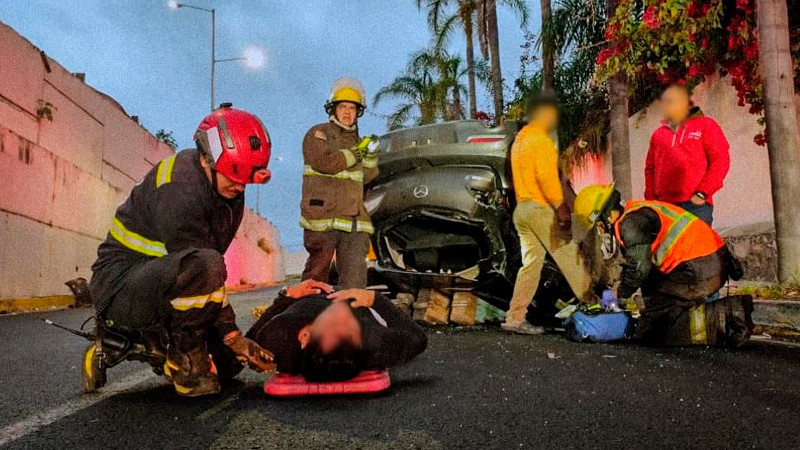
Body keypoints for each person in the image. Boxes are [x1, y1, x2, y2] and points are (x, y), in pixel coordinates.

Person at [89, 104, 275, 397]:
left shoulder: (227, 194)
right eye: (231, 176)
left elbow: (206, 281)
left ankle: (169, 345)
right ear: (205, 159)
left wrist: (232, 343)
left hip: (164, 280)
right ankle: (182, 354)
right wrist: (231, 334)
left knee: (228, 367)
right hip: (120, 287)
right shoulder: (180, 188)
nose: (239, 187)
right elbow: (203, 267)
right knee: (206, 265)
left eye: (244, 181)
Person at [573, 184, 752, 347]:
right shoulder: (637, 211)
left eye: (599, 224)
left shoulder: (630, 224)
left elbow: (638, 268)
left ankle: (730, 315)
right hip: (711, 263)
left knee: (653, 332)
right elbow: (646, 268)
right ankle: (679, 315)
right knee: (653, 310)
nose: (601, 229)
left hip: (700, 269)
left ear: (606, 214)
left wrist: (617, 294)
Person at [502, 92, 593, 335]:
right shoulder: (541, 140)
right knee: (570, 257)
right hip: (541, 209)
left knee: (530, 266)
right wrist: (561, 208)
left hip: (522, 210)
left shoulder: (519, 141)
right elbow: (547, 178)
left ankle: (514, 317)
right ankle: (597, 308)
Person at [246, 279, 427, 381]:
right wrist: (375, 298)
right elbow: (418, 339)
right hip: (350, 295)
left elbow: (246, 342)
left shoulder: (279, 337)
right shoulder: (371, 343)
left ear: (305, 336)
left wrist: (286, 296)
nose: (342, 315)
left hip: (302, 297)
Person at [300, 77, 380, 288]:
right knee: (316, 277)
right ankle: (307, 317)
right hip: (323, 218)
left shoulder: (360, 142)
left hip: (354, 221)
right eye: (342, 106)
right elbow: (324, 162)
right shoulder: (318, 133)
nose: (347, 112)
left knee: (354, 282)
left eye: (352, 108)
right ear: (332, 109)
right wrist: (358, 152)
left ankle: (349, 318)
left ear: (358, 112)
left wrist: (371, 156)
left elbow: (368, 177)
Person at [645, 84, 730, 225]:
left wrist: (702, 193)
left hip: (695, 205)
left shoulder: (706, 125)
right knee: (667, 247)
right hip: (664, 208)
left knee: (697, 247)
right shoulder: (658, 134)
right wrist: (652, 202)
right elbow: (650, 169)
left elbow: (720, 160)